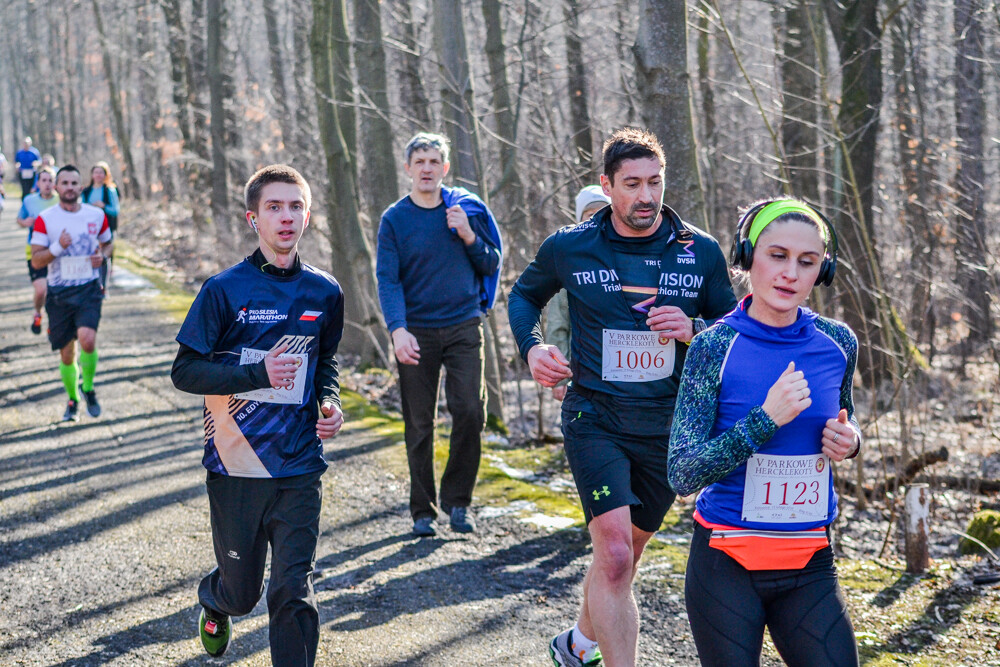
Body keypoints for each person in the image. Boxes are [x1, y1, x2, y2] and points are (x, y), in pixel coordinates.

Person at [508, 127, 737, 667]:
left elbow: (734, 327)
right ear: (607, 187)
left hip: (669, 425)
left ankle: (577, 644)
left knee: (625, 559)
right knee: (611, 557)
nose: (646, 196)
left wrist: (694, 327)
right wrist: (532, 348)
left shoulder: (698, 251)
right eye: (632, 183)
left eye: (654, 182)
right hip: (596, 416)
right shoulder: (570, 246)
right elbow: (523, 295)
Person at [668, 198, 861, 667]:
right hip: (726, 562)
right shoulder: (714, 345)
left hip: (810, 560)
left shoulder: (839, 343)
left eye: (807, 261)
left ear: (823, 271)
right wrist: (764, 420)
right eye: (777, 255)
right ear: (747, 255)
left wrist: (851, 441)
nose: (790, 273)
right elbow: (681, 472)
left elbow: (845, 420)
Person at [171, 165, 345, 664]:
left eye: (295, 207)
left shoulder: (325, 291)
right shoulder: (223, 291)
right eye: (274, 207)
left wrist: (330, 402)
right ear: (253, 219)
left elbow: (324, 361)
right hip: (237, 467)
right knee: (242, 593)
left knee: (293, 589)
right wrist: (257, 374)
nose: (285, 217)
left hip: (300, 465)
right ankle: (214, 599)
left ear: (307, 217)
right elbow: (185, 372)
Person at [376, 132, 503, 537]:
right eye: (420, 162)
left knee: (470, 410)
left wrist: (468, 234)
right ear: (409, 168)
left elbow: (491, 263)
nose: (427, 169)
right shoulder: (394, 219)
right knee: (419, 421)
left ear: (445, 168)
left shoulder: (464, 210)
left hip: (465, 324)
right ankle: (423, 511)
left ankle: (458, 502)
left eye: (435, 162)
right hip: (416, 332)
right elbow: (388, 279)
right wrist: (397, 329)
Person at [29, 165, 113, 421]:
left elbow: (108, 244)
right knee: (67, 353)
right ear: (56, 187)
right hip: (59, 294)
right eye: (64, 183)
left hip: (88, 288)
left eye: (74, 183)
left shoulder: (96, 215)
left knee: (87, 340)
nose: (69, 188)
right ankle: (73, 399)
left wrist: (102, 255)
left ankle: (88, 388)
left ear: (80, 187)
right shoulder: (46, 218)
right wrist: (57, 247)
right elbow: (36, 261)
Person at [545, 185, 611, 402]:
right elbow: (558, 324)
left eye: (604, 212)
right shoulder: (568, 261)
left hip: (623, 376)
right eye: (590, 214)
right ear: (579, 219)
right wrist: (560, 378)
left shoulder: (627, 257)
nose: (597, 219)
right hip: (581, 375)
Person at [16, 166, 58, 334]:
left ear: (55, 183)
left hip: (56, 250)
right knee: (41, 290)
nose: (47, 184)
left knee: (54, 291)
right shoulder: (29, 200)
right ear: (38, 183)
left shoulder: (61, 201)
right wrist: (25, 223)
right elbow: (20, 218)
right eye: (44, 180)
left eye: (50, 180)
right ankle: (37, 313)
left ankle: (53, 322)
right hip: (34, 250)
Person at [81, 161, 121, 287]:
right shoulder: (86, 191)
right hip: (89, 227)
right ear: (92, 175)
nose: (98, 175)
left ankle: (104, 283)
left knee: (106, 251)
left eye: (101, 173)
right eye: (96, 172)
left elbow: (115, 210)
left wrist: (103, 206)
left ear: (106, 175)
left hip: (107, 225)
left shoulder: (110, 190)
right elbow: (80, 208)